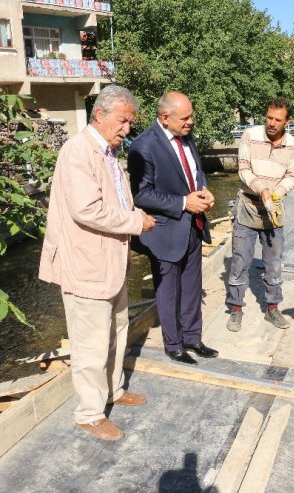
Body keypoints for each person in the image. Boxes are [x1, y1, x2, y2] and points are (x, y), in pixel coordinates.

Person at [38, 85, 156, 441]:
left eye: (130, 122)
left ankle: (113, 391)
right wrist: (136, 223)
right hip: (86, 265)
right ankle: (89, 413)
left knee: (117, 330)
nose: (126, 129)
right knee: (90, 343)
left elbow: (117, 201)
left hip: (111, 262)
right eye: (122, 121)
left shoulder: (108, 153)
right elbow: (87, 210)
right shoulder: (78, 152)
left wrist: (132, 220)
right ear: (99, 114)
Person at [128, 91, 219, 365]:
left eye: (192, 116)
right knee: (168, 290)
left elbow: (196, 172)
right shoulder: (143, 147)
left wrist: (204, 191)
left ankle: (193, 338)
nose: (191, 122)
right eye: (185, 117)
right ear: (165, 118)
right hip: (165, 231)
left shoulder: (186, 137)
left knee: (192, 285)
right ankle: (174, 344)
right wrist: (183, 203)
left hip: (193, 225)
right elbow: (141, 195)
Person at [225, 97, 294, 332]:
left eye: (278, 119)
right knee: (240, 260)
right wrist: (261, 189)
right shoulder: (250, 135)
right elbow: (244, 168)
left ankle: (272, 308)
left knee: (274, 263)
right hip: (248, 205)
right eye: (269, 117)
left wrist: (276, 193)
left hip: (274, 210)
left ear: (288, 121)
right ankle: (235, 309)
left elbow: (291, 176)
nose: (271, 123)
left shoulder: (293, 146)